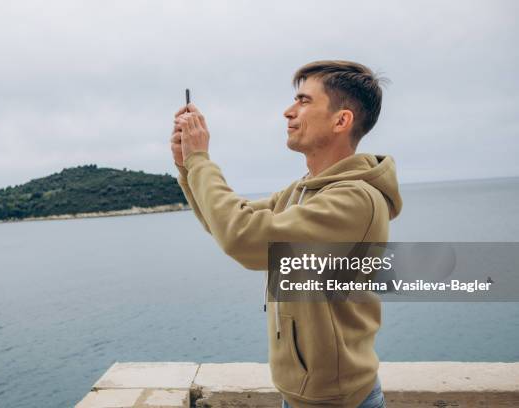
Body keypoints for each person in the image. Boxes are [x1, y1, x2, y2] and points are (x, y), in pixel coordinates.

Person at [169, 60, 402, 408]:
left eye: (304, 101)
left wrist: (201, 160)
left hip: (335, 402)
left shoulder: (356, 199)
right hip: (301, 395)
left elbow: (243, 237)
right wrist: (187, 165)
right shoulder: (304, 191)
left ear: (342, 120)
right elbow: (228, 222)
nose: (288, 112)